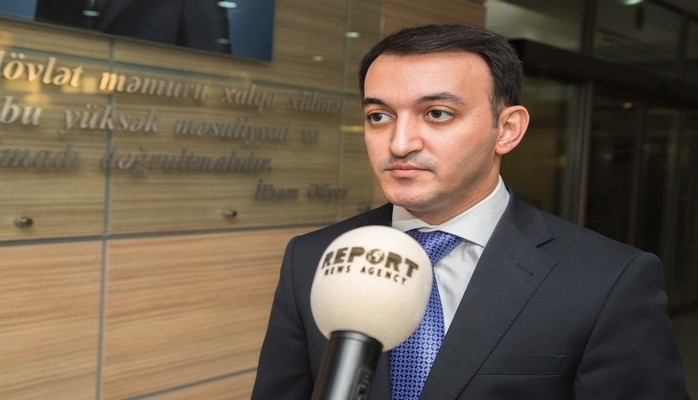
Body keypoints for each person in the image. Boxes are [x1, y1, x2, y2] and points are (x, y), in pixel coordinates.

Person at [251, 24, 690, 399]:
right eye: (380, 116)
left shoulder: (607, 280)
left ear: (507, 129)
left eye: (437, 114)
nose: (399, 144)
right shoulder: (312, 258)